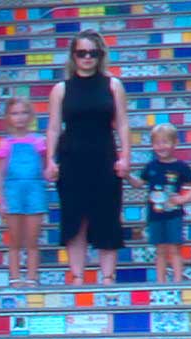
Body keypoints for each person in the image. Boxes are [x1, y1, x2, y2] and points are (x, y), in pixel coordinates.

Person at [44, 30, 131, 285]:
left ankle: (108, 277)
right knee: (74, 218)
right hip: (72, 159)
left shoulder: (113, 85)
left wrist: (126, 156)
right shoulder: (61, 89)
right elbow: (52, 127)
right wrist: (50, 159)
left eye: (93, 53)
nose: (87, 58)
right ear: (73, 56)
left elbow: (123, 124)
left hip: (104, 157)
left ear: (100, 55)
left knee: (107, 215)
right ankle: (78, 276)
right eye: (82, 53)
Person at [0, 97, 49, 286]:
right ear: (8, 117)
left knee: (32, 239)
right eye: (15, 113)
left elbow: (46, 169)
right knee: (14, 239)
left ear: (30, 116)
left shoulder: (39, 141)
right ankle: (14, 277)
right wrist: (0, 200)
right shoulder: (4, 144)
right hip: (12, 193)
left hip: (35, 191)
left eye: (23, 113)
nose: (20, 118)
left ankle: (32, 277)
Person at [131, 122, 191, 282]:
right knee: (160, 250)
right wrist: (127, 175)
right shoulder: (150, 166)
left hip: (174, 214)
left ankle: (177, 281)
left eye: (165, 142)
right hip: (155, 215)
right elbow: (139, 183)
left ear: (175, 143)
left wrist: (184, 198)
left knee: (174, 248)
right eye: (157, 143)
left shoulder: (180, 166)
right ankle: (160, 282)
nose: (161, 146)